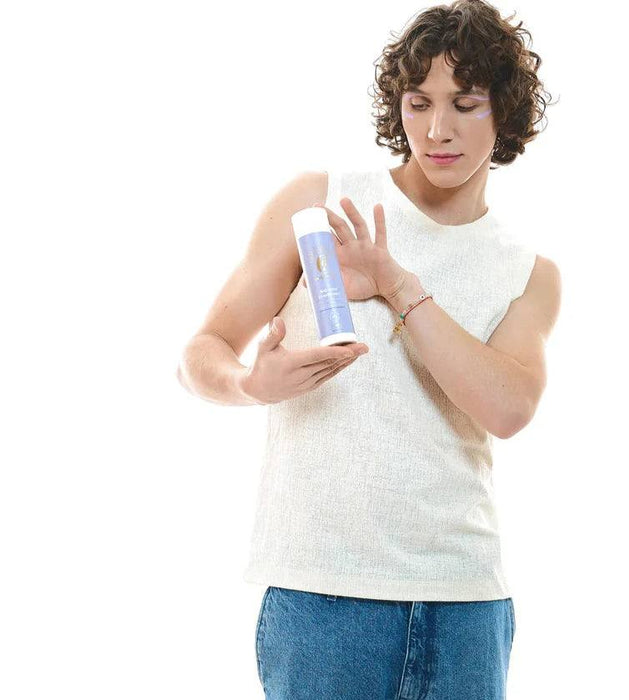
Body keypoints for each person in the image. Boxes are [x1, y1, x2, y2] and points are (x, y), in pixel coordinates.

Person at [177, 1, 560, 697]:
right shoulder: (319, 205)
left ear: (503, 112)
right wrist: (248, 385)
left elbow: (508, 409)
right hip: (323, 597)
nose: (437, 130)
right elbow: (203, 350)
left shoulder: (526, 272)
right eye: (419, 103)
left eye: (465, 104)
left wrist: (396, 285)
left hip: (464, 603)